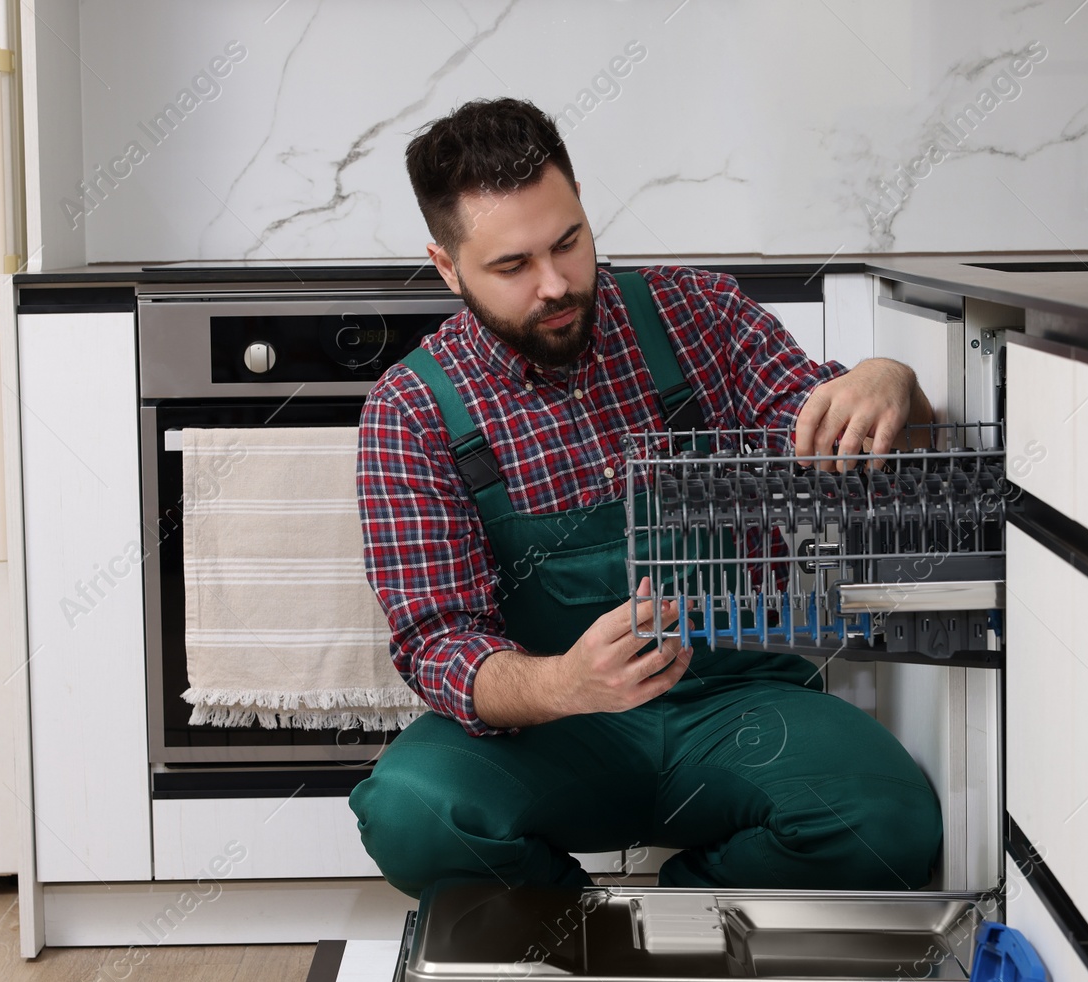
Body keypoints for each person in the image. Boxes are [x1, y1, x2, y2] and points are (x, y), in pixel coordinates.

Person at [349, 97, 941, 899]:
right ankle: (580, 926)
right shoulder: (412, 409)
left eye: (568, 241)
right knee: (411, 810)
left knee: (891, 821)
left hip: (736, 706)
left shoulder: (698, 315)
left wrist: (888, 382)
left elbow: (840, 437)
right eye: (513, 266)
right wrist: (565, 683)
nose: (556, 284)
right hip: (557, 731)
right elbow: (438, 643)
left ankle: (691, 903)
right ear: (448, 266)